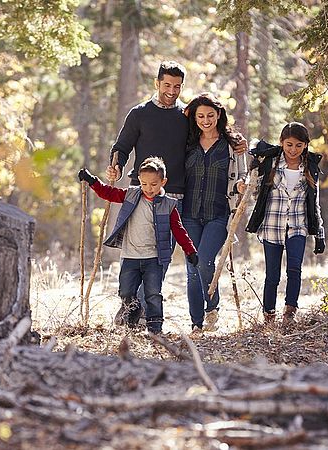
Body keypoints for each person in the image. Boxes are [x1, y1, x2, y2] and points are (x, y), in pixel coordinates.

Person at [106, 61, 248, 324]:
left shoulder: (185, 116)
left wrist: (237, 141)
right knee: (140, 253)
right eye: (167, 85)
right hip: (142, 195)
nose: (172, 90)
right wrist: (115, 165)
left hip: (177, 199)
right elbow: (122, 146)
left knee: (162, 257)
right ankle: (132, 306)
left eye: (177, 86)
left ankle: (142, 310)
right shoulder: (139, 114)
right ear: (157, 83)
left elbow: (210, 135)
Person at [78, 157, 198, 334]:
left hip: (154, 259)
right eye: (144, 184)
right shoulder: (132, 195)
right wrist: (92, 181)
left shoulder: (169, 205)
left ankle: (155, 328)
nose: (149, 189)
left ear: (163, 182)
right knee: (125, 291)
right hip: (130, 257)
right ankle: (132, 313)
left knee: (153, 294)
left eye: (153, 184)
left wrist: (190, 250)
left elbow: (179, 230)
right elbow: (108, 193)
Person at [245, 122, 326, 326]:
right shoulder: (270, 163)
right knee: (272, 274)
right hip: (272, 225)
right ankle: (269, 315)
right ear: (282, 143)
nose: (293, 150)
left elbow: (314, 201)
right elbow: (255, 192)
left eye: (299, 145)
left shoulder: (310, 167)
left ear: (306, 145)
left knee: (294, 270)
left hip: (297, 225)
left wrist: (319, 232)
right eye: (289, 144)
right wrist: (253, 172)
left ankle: (290, 312)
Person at [182, 93, 248, 335]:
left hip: (219, 214)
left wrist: (241, 184)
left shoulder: (232, 145)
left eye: (210, 115)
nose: (206, 120)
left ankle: (212, 307)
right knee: (192, 268)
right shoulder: (187, 143)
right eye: (200, 116)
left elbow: (243, 174)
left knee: (205, 261)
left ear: (219, 115)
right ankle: (196, 323)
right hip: (188, 214)